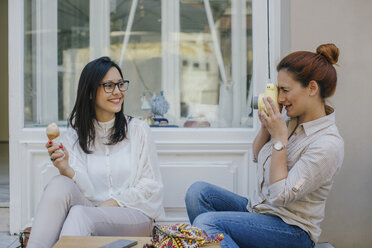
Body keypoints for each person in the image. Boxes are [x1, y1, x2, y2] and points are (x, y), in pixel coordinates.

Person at [185, 43, 344, 248]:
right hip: (259, 212)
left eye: (285, 90)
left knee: (206, 224)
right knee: (198, 192)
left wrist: (279, 139)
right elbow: (256, 154)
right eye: (279, 90)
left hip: (292, 231)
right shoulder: (291, 122)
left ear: (312, 88)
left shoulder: (327, 144)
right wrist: (265, 127)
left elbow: (280, 196)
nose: (280, 98)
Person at [27, 57, 164, 248]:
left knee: (80, 215)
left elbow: (151, 187)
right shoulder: (74, 136)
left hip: (135, 215)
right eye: (109, 85)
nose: (117, 92)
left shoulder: (138, 130)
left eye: (120, 84)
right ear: (90, 92)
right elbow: (88, 192)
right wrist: (66, 169)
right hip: (90, 210)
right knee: (59, 183)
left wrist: (108, 204)